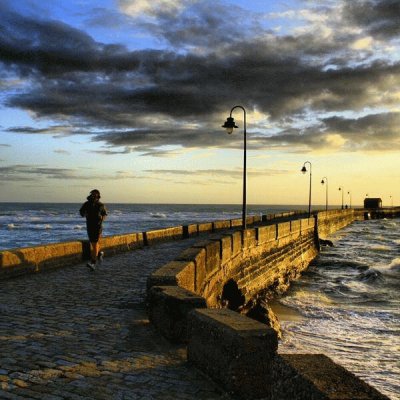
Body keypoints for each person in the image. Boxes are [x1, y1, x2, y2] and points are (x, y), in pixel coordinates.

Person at [79, 189, 108, 270]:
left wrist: (101, 219)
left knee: (95, 244)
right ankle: (99, 254)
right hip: (89, 226)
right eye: (92, 194)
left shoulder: (101, 205)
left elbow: (105, 214)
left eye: (95, 194)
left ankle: (93, 263)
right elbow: (81, 212)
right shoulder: (86, 204)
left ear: (98, 196)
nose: (93, 196)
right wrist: (84, 213)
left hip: (98, 227)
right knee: (94, 243)